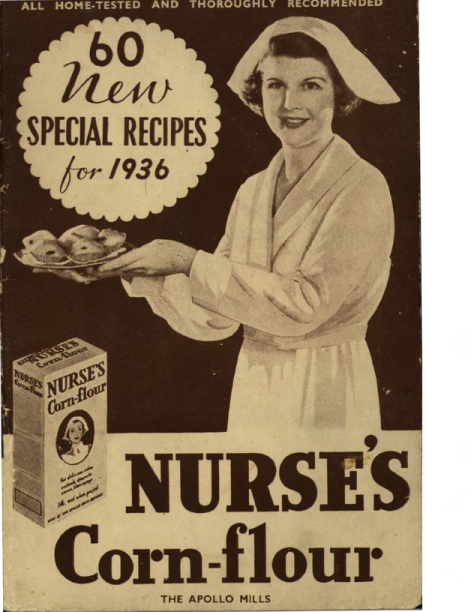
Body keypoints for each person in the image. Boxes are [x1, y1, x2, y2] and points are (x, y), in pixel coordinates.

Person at [91, 18, 400, 430]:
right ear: (258, 92)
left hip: (328, 383)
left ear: (340, 93)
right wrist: (143, 271)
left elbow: (305, 306)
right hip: (256, 382)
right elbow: (219, 314)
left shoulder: (363, 186)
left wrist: (185, 260)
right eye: (275, 85)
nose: (290, 103)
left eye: (311, 85)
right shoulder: (253, 191)